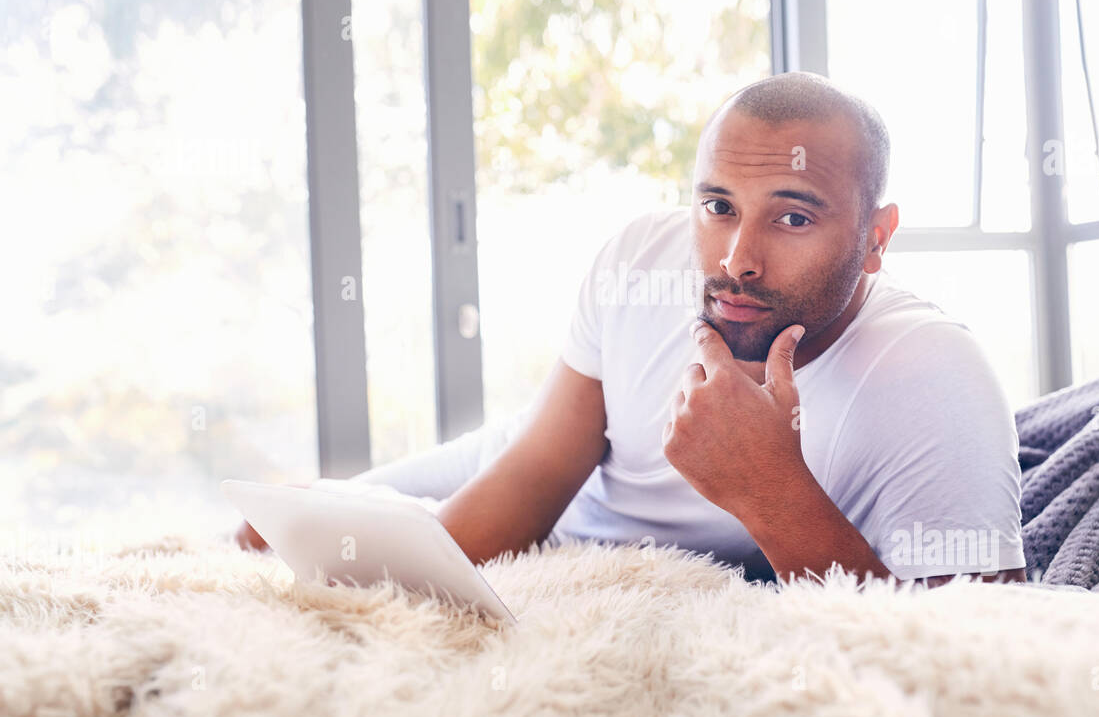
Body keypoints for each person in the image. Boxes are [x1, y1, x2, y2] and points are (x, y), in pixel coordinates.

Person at [237, 71, 1027, 588]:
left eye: (793, 216)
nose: (737, 260)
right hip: (526, 465)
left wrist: (767, 487)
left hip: (616, 526)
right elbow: (535, 471)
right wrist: (361, 527)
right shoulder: (638, 256)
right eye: (718, 207)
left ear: (877, 238)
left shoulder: (933, 376)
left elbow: (964, 656)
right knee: (282, 527)